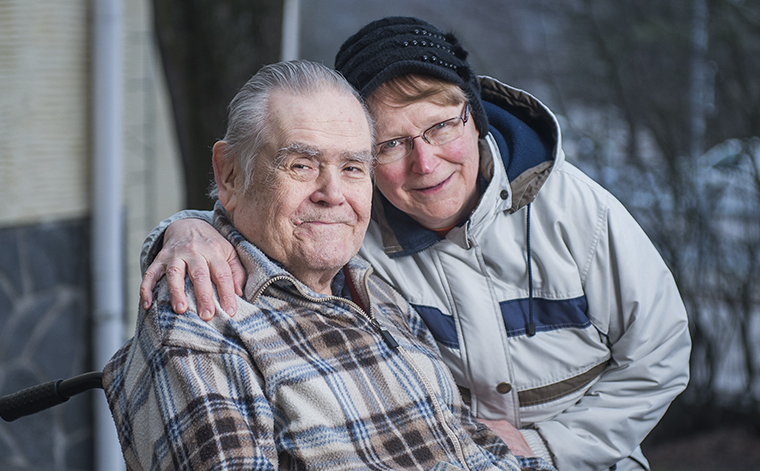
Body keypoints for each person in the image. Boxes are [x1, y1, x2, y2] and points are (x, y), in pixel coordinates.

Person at [138, 17, 691, 471]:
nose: (425, 164)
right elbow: (258, 212)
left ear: (473, 118)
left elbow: (659, 355)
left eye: (440, 128)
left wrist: (551, 450)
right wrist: (184, 230)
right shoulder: (352, 232)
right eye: (390, 144)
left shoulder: (574, 209)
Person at [105, 59, 554, 471]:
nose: (333, 194)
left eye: (354, 168)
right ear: (230, 175)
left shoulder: (369, 284)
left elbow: (461, 441)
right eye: (301, 165)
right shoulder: (202, 315)